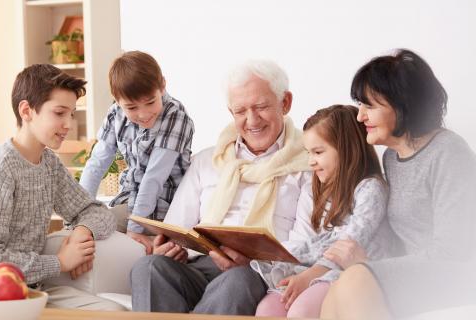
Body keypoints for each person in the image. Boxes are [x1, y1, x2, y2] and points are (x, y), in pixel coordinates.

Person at [130, 59, 314, 315]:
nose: (252, 120)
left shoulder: (309, 163)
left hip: (257, 273)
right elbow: (177, 228)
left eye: (261, 106)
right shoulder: (208, 160)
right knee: (149, 267)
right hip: (198, 267)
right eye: (240, 111)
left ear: (285, 103)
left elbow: (306, 246)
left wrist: (254, 262)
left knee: (239, 279)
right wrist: (168, 248)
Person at [0, 64, 125, 311]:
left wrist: (83, 231)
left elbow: (97, 211)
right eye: (59, 113)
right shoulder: (0, 166)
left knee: (115, 313)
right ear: (26, 111)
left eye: (71, 114)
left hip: (28, 288)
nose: (68, 124)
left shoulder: (49, 164)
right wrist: (59, 262)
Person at [320, 49, 476, 320]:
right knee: (335, 291)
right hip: (416, 275)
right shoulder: (392, 157)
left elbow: (455, 249)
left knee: (357, 279)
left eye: (369, 106)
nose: (360, 117)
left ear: (403, 105)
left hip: (456, 273)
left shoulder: (449, 151)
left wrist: (370, 267)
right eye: (360, 105)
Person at [252, 105, 390, 318]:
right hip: (319, 267)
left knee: (301, 311)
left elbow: (351, 243)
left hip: (348, 268)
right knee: (267, 309)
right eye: (309, 153)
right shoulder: (325, 190)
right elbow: (314, 241)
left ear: (347, 150)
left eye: (318, 152)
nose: (311, 161)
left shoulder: (371, 188)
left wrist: (308, 276)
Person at [79, 51, 194, 253]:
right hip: (129, 202)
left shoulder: (176, 116)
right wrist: (79, 213)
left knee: (97, 236)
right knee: (83, 231)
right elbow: (96, 163)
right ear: (117, 100)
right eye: (131, 107)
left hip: (165, 209)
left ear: (162, 86)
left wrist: (135, 229)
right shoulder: (116, 113)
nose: (143, 114)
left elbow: (153, 178)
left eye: (150, 102)